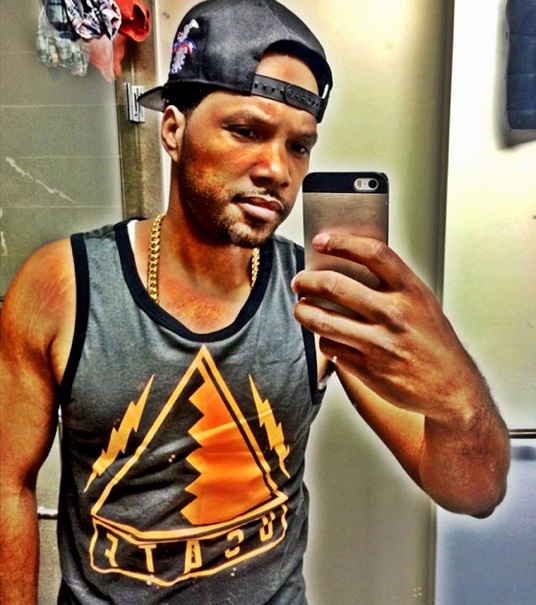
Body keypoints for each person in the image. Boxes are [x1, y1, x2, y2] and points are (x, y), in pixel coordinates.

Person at [0, 1, 510, 603]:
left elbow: (472, 493)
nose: (277, 170)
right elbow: (8, 483)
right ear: (173, 130)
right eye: (246, 131)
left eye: (299, 146)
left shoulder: (321, 297)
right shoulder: (63, 286)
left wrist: (459, 397)